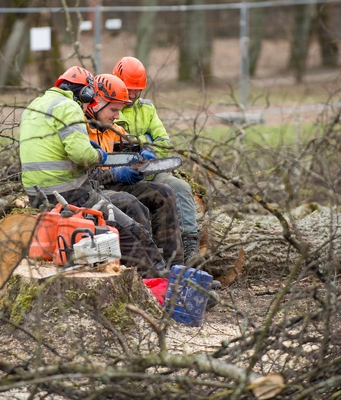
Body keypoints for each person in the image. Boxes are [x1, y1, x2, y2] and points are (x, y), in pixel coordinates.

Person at [19, 66, 167, 277]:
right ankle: (155, 283)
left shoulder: (35, 105)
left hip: (38, 194)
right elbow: (82, 156)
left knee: (128, 214)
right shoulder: (69, 107)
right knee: (130, 230)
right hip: (69, 192)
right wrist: (100, 156)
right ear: (86, 93)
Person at [84, 73, 184, 267]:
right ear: (96, 103)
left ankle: (174, 266)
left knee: (163, 193)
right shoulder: (81, 129)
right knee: (132, 204)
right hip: (93, 190)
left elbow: (128, 146)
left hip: (114, 185)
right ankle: (147, 272)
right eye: (113, 110)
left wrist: (141, 154)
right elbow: (85, 177)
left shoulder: (113, 127)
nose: (117, 116)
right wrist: (116, 173)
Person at [113, 56, 203, 265]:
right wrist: (144, 140)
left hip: (149, 169)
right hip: (118, 175)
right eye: (129, 90)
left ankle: (189, 248)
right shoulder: (109, 107)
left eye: (137, 90)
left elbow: (163, 141)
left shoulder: (147, 109)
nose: (134, 95)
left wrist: (143, 147)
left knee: (179, 187)